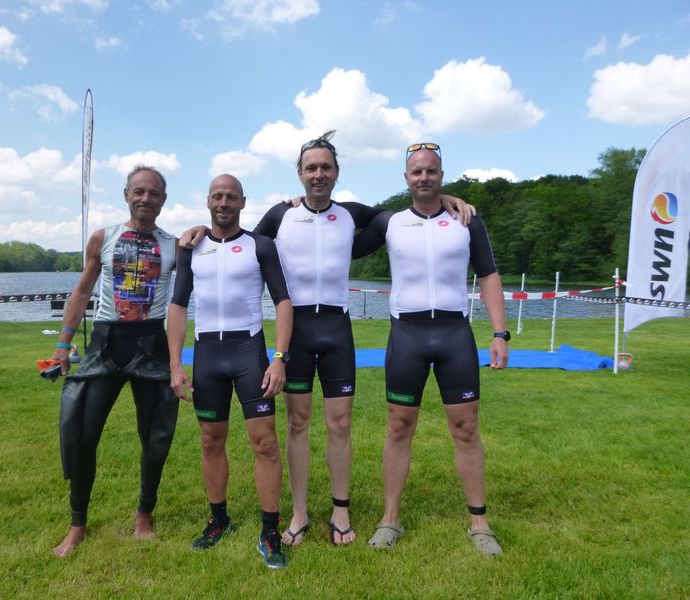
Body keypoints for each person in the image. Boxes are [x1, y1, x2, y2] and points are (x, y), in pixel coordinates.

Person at [180, 131, 472, 547]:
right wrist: (198, 230)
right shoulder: (280, 216)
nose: (319, 174)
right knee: (298, 422)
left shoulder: (352, 215)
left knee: (340, 423)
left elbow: (406, 212)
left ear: (337, 173)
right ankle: (299, 513)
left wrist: (446, 199)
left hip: (337, 329)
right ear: (300, 174)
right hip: (297, 333)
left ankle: (340, 510)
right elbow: (235, 238)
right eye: (311, 168)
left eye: (326, 167)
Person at [352, 142, 509, 555]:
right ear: (406, 179)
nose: (424, 177)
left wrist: (500, 333)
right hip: (408, 335)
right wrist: (298, 205)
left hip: (455, 334)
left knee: (466, 427)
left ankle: (479, 522)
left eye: (431, 171)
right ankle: (390, 519)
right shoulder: (390, 222)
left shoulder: (467, 220)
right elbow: (342, 220)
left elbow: (489, 275)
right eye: (417, 172)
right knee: (399, 426)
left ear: (442, 175)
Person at [50, 165, 180, 558]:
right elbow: (81, 292)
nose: (145, 198)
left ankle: (144, 514)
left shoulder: (174, 245)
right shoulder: (102, 238)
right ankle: (77, 523)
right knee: (82, 435)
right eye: (139, 191)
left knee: (154, 437)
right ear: (126, 194)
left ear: (163, 199)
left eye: (153, 193)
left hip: (151, 345)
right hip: (106, 344)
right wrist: (63, 344)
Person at [168, 174, 293, 569]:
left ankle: (270, 531)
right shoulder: (191, 247)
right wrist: (176, 364)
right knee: (210, 440)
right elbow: (178, 305)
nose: (224, 202)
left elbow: (283, 301)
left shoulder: (260, 245)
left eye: (231, 197)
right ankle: (218, 520)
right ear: (208, 201)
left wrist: (279, 357)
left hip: (248, 352)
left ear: (242, 202)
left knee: (265, 442)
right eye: (217, 196)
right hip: (208, 354)